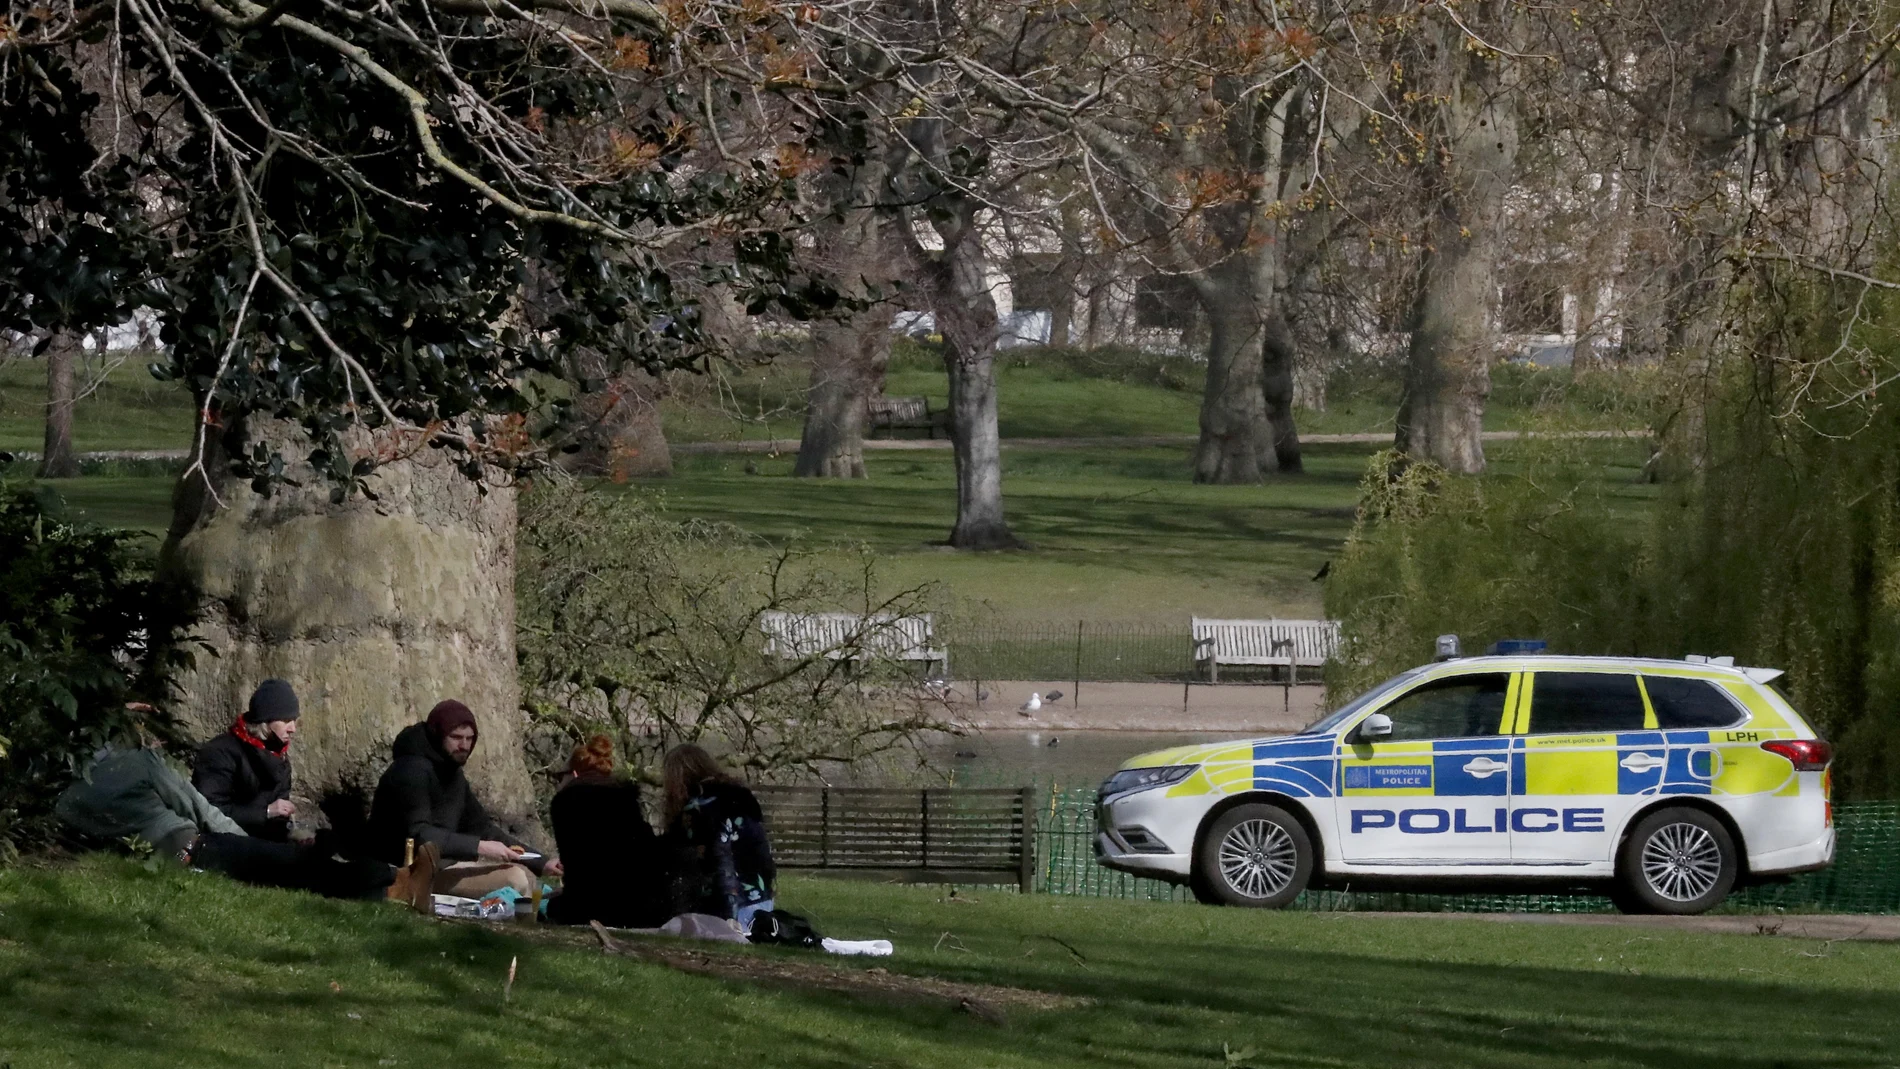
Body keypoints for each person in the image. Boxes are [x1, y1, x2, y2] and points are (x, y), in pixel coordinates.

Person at [57, 728, 396, 900]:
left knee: (289, 875)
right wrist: (246, 844)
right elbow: (198, 806)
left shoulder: (66, 798)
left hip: (165, 856)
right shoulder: (138, 762)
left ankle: (381, 885)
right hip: (190, 847)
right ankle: (386, 879)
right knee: (293, 866)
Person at [367, 699, 541, 899]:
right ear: (438, 736)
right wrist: (479, 847)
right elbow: (418, 834)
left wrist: (542, 861)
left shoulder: (451, 772)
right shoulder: (410, 771)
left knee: (528, 875)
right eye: (456, 737)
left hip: (443, 866)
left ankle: (524, 923)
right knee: (516, 878)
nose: (464, 745)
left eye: (469, 738)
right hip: (405, 872)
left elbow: (483, 828)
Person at [545, 735, 671, 928]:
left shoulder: (565, 803)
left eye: (560, 776)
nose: (558, 782)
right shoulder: (625, 799)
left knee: (551, 907)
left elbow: (578, 871)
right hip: (638, 905)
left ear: (575, 773)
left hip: (591, 908)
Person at [663, 744, 776, 930]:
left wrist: (728, 913)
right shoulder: (741, 798)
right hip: (760, 898)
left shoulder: (701, 810)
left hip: (726, 906)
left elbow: (720, 859)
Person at [192, 679, 299, 841]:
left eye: (294, 720)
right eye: (285, 720)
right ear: (266, 721)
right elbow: (207, 811)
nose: (293, 729)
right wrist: (267, 812)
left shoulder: (279, 756)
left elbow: (278, 820)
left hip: (259, 843)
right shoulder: (220, 753)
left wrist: (293, 836)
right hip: (221, 841)